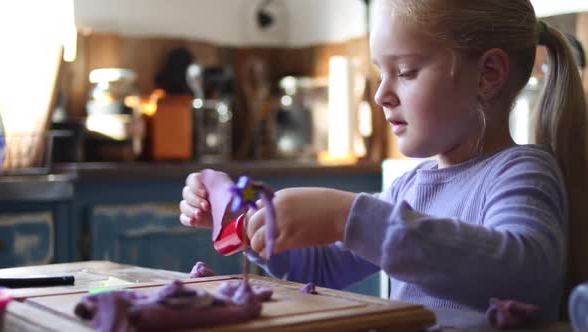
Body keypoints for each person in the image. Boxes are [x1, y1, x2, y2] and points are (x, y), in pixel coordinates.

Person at [180, 0, 588, 320]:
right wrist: (252, 222)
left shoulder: (522, 172)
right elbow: (320, 269)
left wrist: (348, 217)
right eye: (381, 73)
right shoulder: (410, 188)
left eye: (406, 72)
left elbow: (523, 276)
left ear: (487, 74)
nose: (381, 95)